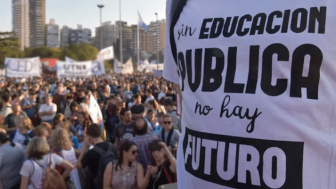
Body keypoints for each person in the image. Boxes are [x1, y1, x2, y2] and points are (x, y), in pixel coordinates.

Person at [76, 123, 116, 189]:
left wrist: (84, 148)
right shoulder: (111, 146)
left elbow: (78, 166)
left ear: (89, 136)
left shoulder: (91, 153)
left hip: (96, 185)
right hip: (111, 182)